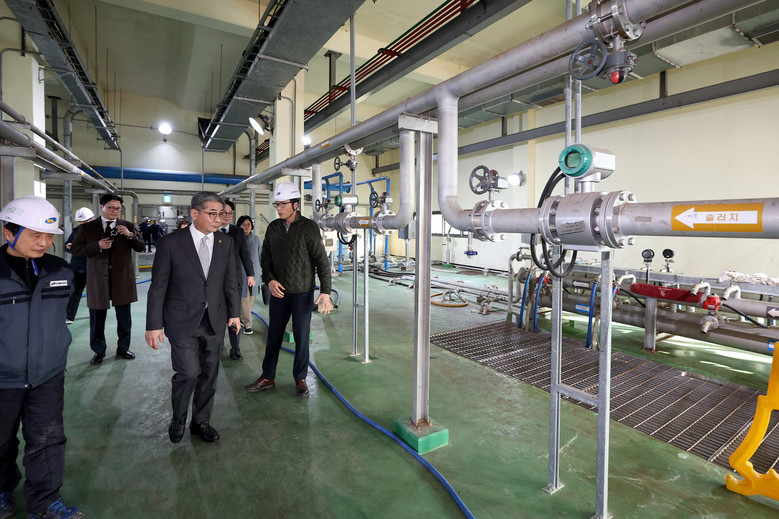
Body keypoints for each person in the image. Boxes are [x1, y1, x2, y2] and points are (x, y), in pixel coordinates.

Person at [0, 196, 84, 519]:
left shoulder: (60, 269)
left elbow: (63, 312)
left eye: (49, 236)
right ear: (9, 233)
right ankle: (2, 491)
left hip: (47, 375)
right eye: (35, 235)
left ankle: (45, 503)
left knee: (47, 440)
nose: (44, 242)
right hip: (3, 377)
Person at [145, 192, 240, 444]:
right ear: (195, 214)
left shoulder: (226, 242)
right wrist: (153, 325)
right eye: (212, 214)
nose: (218, 219)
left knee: (209, 374)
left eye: (222, 214)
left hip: (214, 319)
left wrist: (234, 313)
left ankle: (201, 422)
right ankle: (179, 417)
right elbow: (158, 286)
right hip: (181, 319)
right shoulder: (171, 243)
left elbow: (231, 281)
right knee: (188, 373)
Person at [244, 181, 332, 398]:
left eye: (283, 204)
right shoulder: (274, 228)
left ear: (295, 204)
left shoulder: (308, 228)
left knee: (301, 337)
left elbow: (321, 261)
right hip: (278, 292)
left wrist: (325, 291)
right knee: (273, 336)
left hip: (302, 292)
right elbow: (265, 259)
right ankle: (267, 377)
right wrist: (270, 281)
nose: (279, 208)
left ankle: (300, 379)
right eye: (277, 204)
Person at [70, 194, 145, 365]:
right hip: (98, 280)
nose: (114, 211)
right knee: (97, 319)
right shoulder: (88, 228)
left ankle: (123, 348)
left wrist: (130, 235)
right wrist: (97, 245)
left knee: (124, 319)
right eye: (111, 208)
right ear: (102, 207)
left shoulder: (127, 226)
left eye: (118, 208)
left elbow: (140, 247)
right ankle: (98, 351)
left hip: (122, 279)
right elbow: (75, 250)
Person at [219, 200, 255, 360]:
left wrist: (250, 274)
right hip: (214, 282)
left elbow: (245, 254)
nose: (227, 216)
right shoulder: (211, 231)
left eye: (230, 213)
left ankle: (235, 348)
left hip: (234, 281)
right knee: (217, 316)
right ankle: (218, 345)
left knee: (234, 314)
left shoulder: (238, 232)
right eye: (224, 213)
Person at [64, 207, 94, 323]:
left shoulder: (98, 233)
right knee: (74, 292)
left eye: (83, 222)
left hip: (93, 268)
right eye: (79, 222)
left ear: (91, 219)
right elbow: (66, 246)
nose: (81, 224)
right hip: (77, 267)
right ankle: (69, 316)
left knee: (94, 295)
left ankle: (96, 317)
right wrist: (69, 247)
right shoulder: (76, 231)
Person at [236, 215, 261, 335]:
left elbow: (260, 255)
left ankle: (242, 318)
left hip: (255, 273)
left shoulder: (256, 239)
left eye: (249, 224)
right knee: (244, 298)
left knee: (251, 298)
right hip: (241, 273)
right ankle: (248, 324)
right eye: (243, 224)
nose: (246, 227)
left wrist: (261, 271)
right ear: (239, 226)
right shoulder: (236, 239)